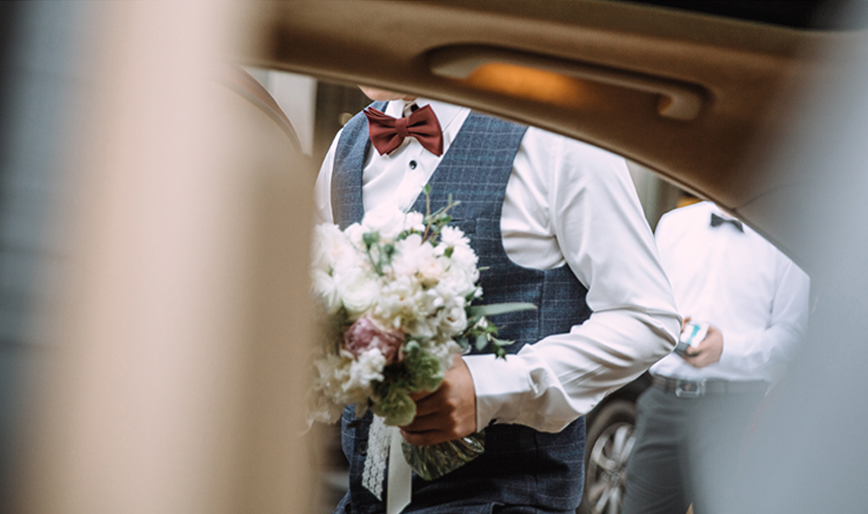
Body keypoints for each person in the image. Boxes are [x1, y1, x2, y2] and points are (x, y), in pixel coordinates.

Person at [314, 87, 682, 514]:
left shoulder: (558, 136)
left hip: (504, 501)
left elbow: (647, 317)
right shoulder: (347, 145)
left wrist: (489, 387)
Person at [622, 200, 810, 514]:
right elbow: (647, 306)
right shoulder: (672, 224)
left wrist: (726, 348)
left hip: (734, 412)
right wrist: (669, 326)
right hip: (663, 403)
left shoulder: (784, 238)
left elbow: (793, 336)